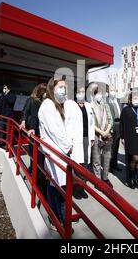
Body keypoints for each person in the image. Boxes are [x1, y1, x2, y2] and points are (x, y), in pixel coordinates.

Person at [38, 77, 82, 232]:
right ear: (52, 88)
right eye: (61, 87)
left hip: (60, 153)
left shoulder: (59, 105)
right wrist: (69, 147)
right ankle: (60, 220)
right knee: (57, 188)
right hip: (57, 153)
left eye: (65, 87)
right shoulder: (48, 105)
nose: (64, 90)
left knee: (58, 186)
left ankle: (60, 216)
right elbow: (56, 131)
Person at [20, 83, 47, 201]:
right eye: (45, 92)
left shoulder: (44, 102)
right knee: (36, 158)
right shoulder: (32, 100)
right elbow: (26, 112)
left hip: (40, 133)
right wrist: (24, 122)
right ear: (41, 92)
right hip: (33, 132)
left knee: (39, 158)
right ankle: (38, 184)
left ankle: (35, 176)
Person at [73, 86, 95, 199]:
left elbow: (92, 123)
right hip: (76, 139)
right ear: (76, 93)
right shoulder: (71, 106)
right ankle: (76, 187)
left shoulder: (88, 106)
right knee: (77, 164)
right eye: (79, 92)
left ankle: (83, 187)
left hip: (86, 138)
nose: (81, 94)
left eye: (83, 92)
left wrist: (92, 138)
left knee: (85, 163)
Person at [90, 84, 114, 188]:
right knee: (96, 159)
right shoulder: (90, 106)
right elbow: (92, 124)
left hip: (107, 134)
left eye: (101, 93)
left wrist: (107, 131)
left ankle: (105, 178)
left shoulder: (106, 105)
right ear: (94, 95)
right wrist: (101, 132)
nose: (99, 95)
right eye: (97, 93)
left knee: (107, 157)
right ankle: (98, 180)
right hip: (96, 135)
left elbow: (110, 120)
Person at [107, 86, 123, 172]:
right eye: (111, 90)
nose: (113, 92)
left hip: (118, 124)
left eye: (114, 90)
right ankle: (108, 166)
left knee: (116, 146)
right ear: (108, 91)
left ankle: (114, 164)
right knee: (109, 147)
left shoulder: (119, 101)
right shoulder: (106, 101)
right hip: (110, 126)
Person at [0, 84, 16, 148]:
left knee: (8, 131)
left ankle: (8, 144)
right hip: (1, 116)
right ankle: (1, 143)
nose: (4, 89)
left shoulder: (12, 95)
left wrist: (6, 95)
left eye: (6, 88)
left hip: (9, 117)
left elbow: (11, 102)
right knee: (0, 130)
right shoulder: (2, 95)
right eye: (4, 88)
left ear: (9, 89)